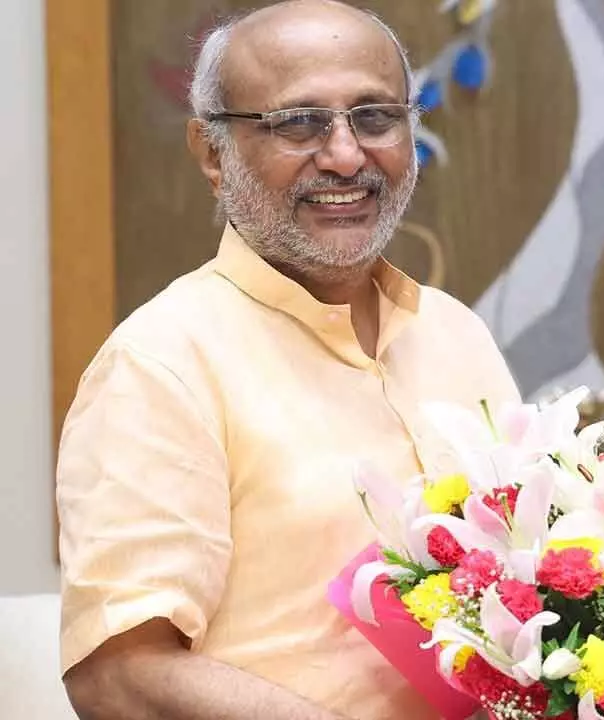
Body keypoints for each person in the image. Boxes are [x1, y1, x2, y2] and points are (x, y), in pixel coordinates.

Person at [55, 2, 519, 718]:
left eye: (375, 117)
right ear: (213, 153)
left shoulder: (455, 332)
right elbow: (119, 675)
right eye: (298, 123)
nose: (345, 156)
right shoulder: (159, 365)